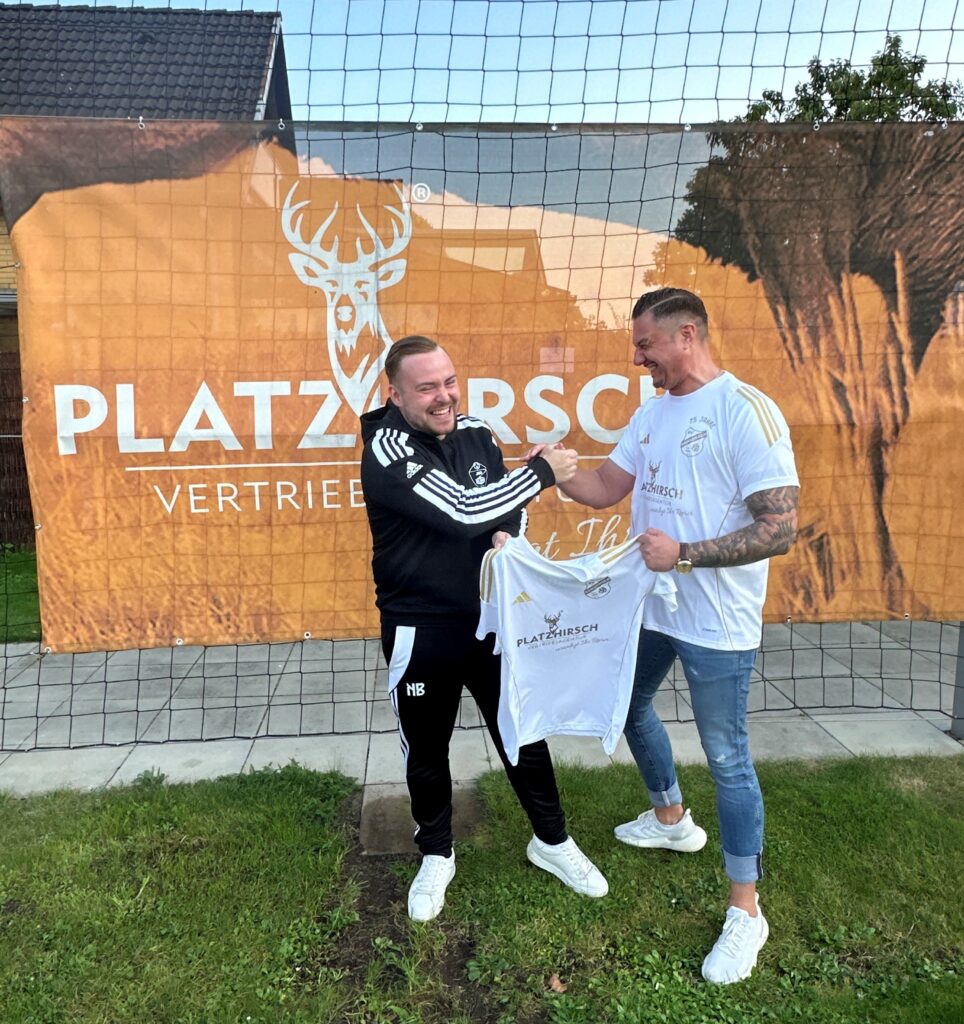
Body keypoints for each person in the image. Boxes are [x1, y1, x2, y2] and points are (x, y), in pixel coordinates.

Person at [553, 288, 799, 983]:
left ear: (687, 334)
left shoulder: (745, 411)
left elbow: (780, 529)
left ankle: (746, 911)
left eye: (646, 345)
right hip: (654, 609)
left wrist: (684, 554)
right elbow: (607, 486)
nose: (638, 359)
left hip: (717, 623)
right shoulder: (652, 413)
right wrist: (562, 474)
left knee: (727, 757)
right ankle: (670, 819)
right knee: (628, 704)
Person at [360, 335, 608, 923]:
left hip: (493, 618)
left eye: (449, 381)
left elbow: (501, 507)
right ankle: (436, 854)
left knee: (523, 731)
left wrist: (510, 533)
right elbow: (463, 511)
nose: (444, 396)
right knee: (427, 748)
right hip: (421, 628)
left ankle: (552, 841)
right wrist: (542, 471)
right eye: (427, 387)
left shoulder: (477, 432)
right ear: (395, 394)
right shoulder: (388, 449)